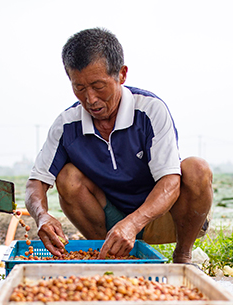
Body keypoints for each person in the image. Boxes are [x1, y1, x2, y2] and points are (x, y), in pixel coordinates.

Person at [25, 27, 213, 264]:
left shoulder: (150, 110)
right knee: (67, 177)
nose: (90, 99)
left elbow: (171, 182)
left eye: (98, 86)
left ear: (121, 75)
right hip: (110, 220)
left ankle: (183, 256)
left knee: (197, 168)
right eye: (79, 88)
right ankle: (111, 256)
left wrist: (133, 223)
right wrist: (42, 217)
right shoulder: (66, 124)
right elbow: (35, 183)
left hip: (164, 217)